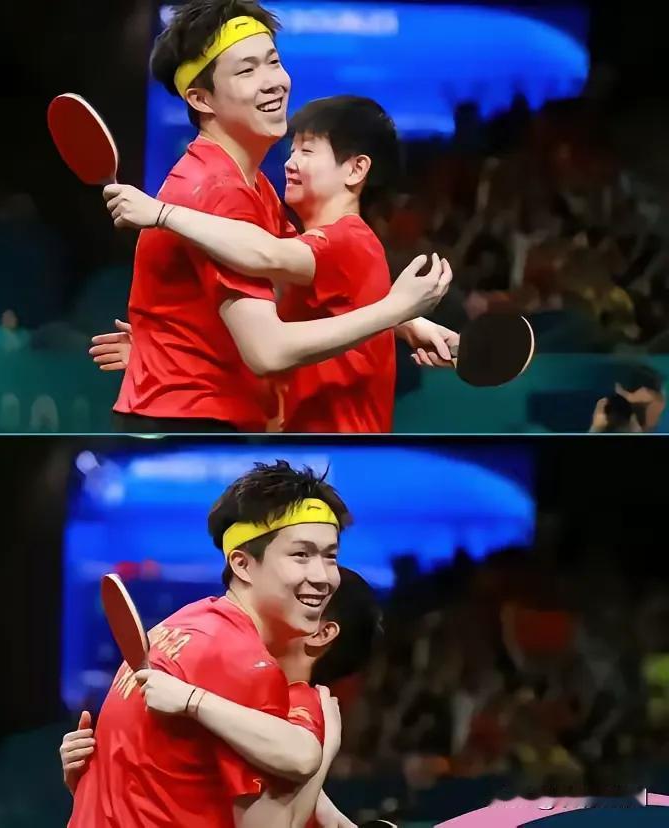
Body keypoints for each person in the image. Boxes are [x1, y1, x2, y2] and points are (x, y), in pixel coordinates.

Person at [98, 0, 452, 433]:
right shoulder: (218, 191)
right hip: (191, 420)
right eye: (247, 71)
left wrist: (407, 320)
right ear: (201, 99)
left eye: (273, 62)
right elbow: (268, 350)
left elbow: (286, 264)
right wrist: (394, 309)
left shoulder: (255, 186)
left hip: (198, 412)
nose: (273, 83)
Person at [67, 460, 353, 828]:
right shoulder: (242, 661)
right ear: (242, 565)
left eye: (330, 556)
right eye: (301, 555)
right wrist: (326, 744)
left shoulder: (182, 625)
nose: (323, 576)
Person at [61, 566, 382, 828]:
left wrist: (322, 754)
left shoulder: (300, 707)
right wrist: (93, 777)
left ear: (322, 633)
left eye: (307, 597)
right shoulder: (233, 678)